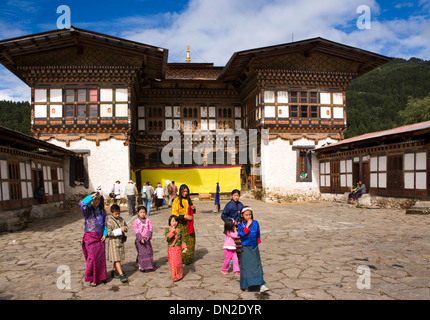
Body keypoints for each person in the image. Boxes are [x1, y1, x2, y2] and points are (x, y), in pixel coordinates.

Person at [78, 192, 108, 287]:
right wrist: (91, 196)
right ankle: (92, 278)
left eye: (98, 199)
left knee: (100, 258)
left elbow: (105, 223)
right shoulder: (87, 211)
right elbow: (81, 203)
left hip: (100, 238)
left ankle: (101, 277)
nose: (96, 201)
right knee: (92, 258)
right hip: (90, 237)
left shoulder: (103, 211)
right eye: (94, 199)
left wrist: (105, 234)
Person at [238, 206, 268, 293]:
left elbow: (258, 233)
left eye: (250, 215)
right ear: (242, 215)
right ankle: (246, 284)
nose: (248, 217)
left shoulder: (255, 223)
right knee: (247, 267)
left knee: (257, 266)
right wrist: (247, 226)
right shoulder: (240, 225)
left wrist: (257, 241)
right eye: (246, 215)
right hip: (246, 248)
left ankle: (260, 284)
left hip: (254, 247)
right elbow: (242, 234)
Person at [171, 184, 196, 265]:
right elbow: (174, 214)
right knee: (182, 242)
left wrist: (193, 208)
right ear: (180, 191)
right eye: (184, 191)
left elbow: (193, 208)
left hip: (189, 225)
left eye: (186, 191)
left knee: (191, 241)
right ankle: (182, 258)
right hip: (181, 225)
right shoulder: (176, 200)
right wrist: (184, 216)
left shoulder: (189, 200)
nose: (185, 193)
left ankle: (189, 258)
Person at [106, 204, 128, 283]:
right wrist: (119, 230)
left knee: (118, 257)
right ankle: (121, 274)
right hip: (113, 242)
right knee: (117, 258)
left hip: (120, 241)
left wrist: (125, 229)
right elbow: (109, 233)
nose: (118, 215)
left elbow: (126, 225)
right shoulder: (109, 221)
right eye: (116, 214)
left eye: (119, 213)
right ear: (111, 213)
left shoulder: (121, 219)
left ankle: (114, 270)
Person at [221, 189, 244, 259]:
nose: (236, 197)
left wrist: (240, 220)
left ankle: (238, 257)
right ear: (231, 196)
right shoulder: (229, 205)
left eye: (237, 195)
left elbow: (242, 215)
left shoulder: (241, 205)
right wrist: (232, 222)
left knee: (239, 243)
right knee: (231, 244)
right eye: (235, 195)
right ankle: (230, 257)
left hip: (239, 227)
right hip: (231, 228)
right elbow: (223, 216)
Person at [165, 215, 187, 282]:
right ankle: (174, 276)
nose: (174, 222)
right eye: (173, 221)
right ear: (170, 222)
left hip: (178, 249)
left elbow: (182, 240)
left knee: (178, 263)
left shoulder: (180, 230)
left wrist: (184, 247)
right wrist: (171, 232)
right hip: (171, 249)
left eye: (176, 221)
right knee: (173, 263)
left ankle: (179, 275)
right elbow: (167, 239)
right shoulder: (167, 230)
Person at [133, 206, 154, 272]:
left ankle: (149, 266)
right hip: (140, 240)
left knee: (148, 252)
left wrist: (148, 235)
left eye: (144, 212)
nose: (142, 214)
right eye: (141, 212)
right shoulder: (136, 221)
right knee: (142, 254)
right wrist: (140, 238)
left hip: (146, 239)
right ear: (138, 213)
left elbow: (150, 228)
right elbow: (136, 230)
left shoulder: (148, 220)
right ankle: (142, 267)